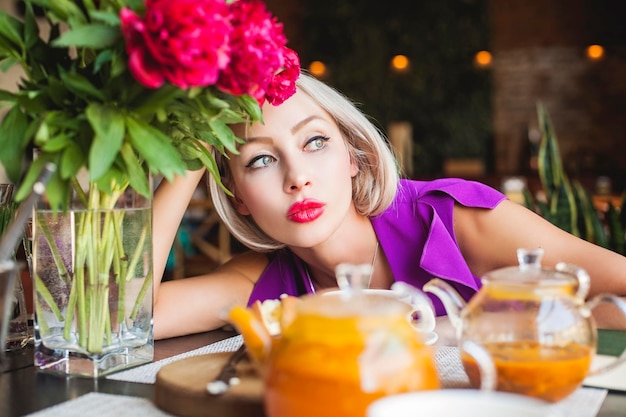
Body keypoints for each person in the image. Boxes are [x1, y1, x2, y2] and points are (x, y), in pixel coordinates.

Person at [152, 72, 626, 340]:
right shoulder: (257, 281)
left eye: (315, 141)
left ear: (355, 157)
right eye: (260, 160)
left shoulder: (453, 219)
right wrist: (186, 159)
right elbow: (122, 323)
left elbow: (617, 288)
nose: (297, 178)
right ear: (239, 198)